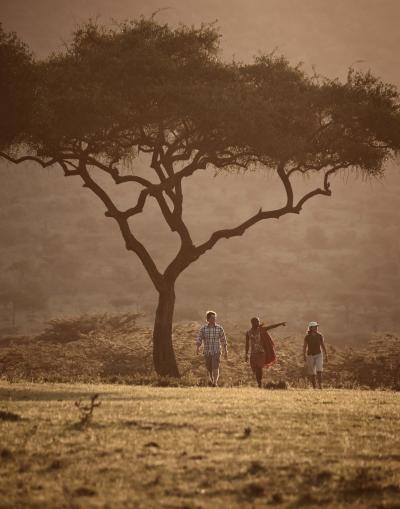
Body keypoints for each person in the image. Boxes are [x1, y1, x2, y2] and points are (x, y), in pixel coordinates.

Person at [245, 317, 286, 388]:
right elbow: (247, 344)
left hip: (261, 352)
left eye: (258, 322)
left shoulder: (261, 329)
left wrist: (281, 324)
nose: (258, 323)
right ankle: (259, 382)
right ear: (252, 323)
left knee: (259, 368)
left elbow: (272, 326)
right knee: (256, 369)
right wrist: (246, 354)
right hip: (253, 353)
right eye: (256, 322)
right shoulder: (248, 333)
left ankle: (259, 383)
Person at [196, 310, 228, 387]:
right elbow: (199, 338)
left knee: (215, 366)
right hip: (207, 351)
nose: (214, 319)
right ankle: (211, 380)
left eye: (214, 318)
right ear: (208, 319)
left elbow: (223, 340)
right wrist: (197, 348)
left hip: (216, 351)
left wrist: (225, 351)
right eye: (212, 318)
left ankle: (215, 382)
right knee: (209, 367)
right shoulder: (203, 329)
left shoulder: (219, 328)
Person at [303, 321, 328, 389]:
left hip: (318, 354)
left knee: (319, 370)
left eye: (316, 327)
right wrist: (304, 355)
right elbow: (304, 347)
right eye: (315, 327)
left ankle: (320, 386)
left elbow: (322, 345)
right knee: (312, 372)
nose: (316, 328)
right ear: (311, 328)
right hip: (310, 355)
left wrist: (326, 354)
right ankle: (314, 387)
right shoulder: (307, 337)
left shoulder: (319, 336)